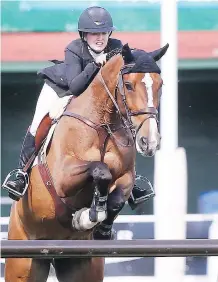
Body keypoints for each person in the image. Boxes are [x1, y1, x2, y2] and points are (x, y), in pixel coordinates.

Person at [2, 6, 154, 208]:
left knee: (125, 123)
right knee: (38, 122)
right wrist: (95, 64)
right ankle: (21, 173)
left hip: (95, 100)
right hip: (63, 88)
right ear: (84, 35)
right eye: (94, 33)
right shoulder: (74, 49)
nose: (100, 38)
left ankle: (130, 181)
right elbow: (75, 86)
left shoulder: (116, 47)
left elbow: (132, 64)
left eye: (103, 32)